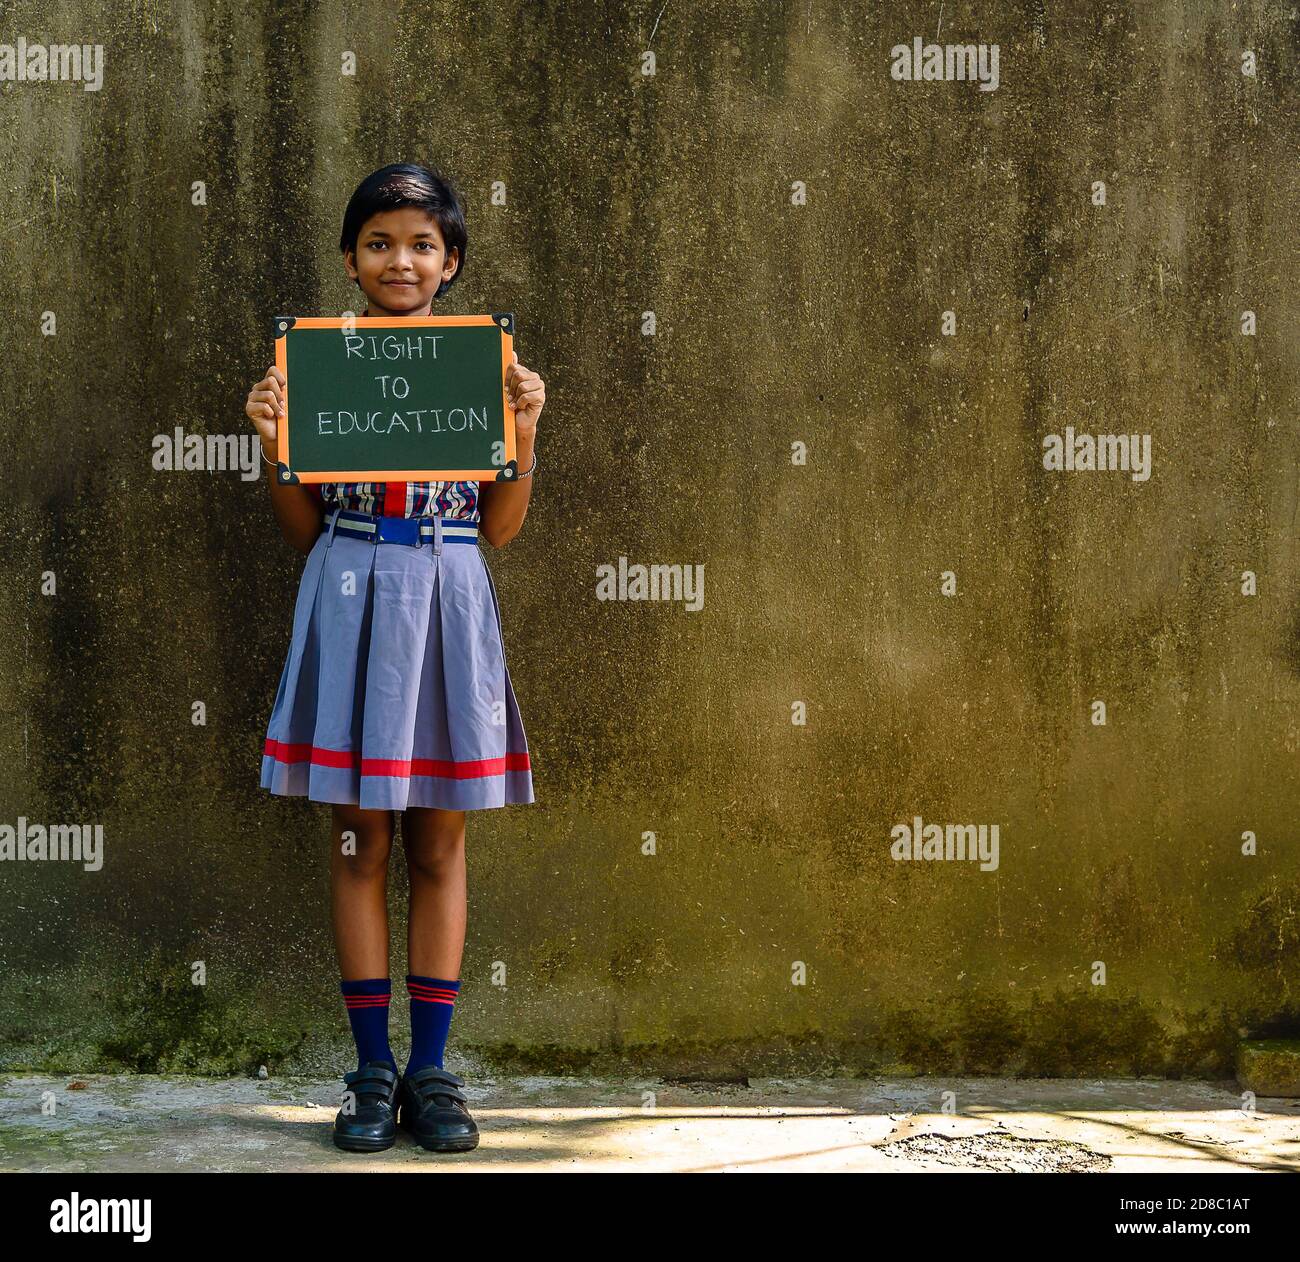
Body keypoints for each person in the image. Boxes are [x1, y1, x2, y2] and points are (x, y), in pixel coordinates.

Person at [244, 163, 545, 1154]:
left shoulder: (480, 368)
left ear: (450, 260)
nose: (400, 259)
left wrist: (527, 430)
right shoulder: (321, 364)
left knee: (440, 842)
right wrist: (275, 441)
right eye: (379, 241)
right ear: (350, 257)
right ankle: (370, 1068)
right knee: (359, 838)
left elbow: (498, 527)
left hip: (448, 593)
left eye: (421, 243)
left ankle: (432, 1070)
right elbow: (300, 527)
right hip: (349, 590)